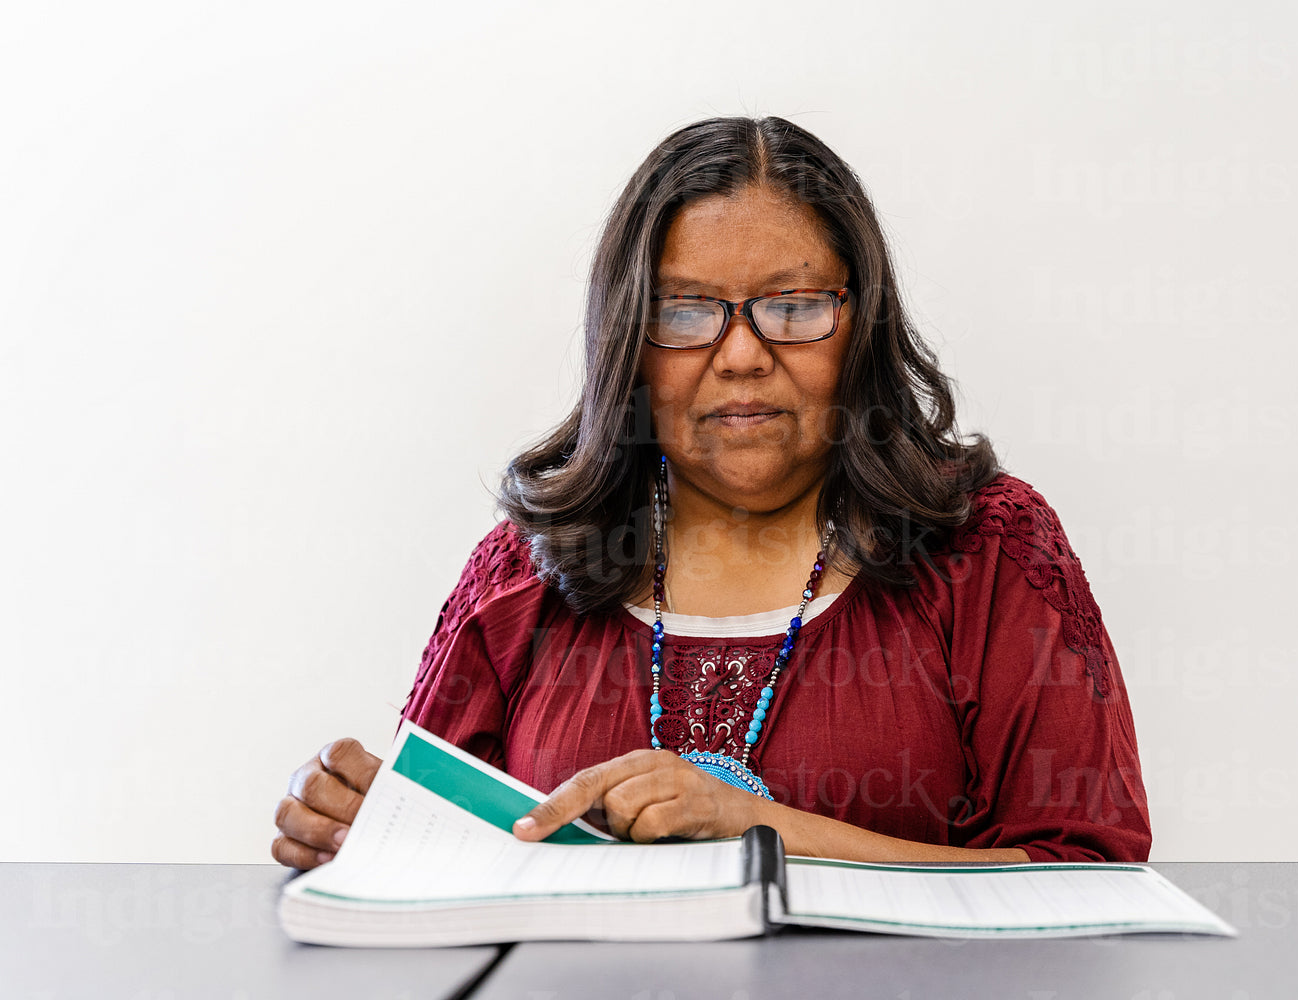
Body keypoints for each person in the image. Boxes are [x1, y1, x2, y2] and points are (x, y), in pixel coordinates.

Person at [271, 116, 1150, 871]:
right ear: (629, 338)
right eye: (686, 310)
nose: (740, 354)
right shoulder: (522, 569)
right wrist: (366, 834)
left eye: (795, 305)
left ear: (861, 323)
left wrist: (768, 831)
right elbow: (444, 858)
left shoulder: (987, 547)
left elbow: (1092, 875)